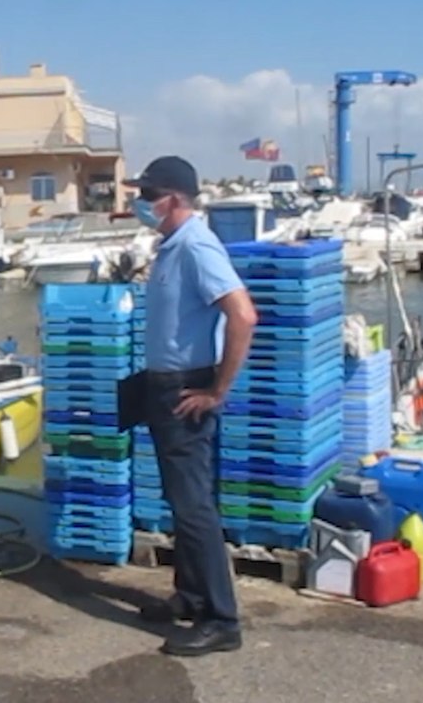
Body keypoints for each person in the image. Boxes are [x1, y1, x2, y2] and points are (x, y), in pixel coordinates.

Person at [122, 156, 258, 657]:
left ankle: (222, 619)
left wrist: (217, 391)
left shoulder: (197, 245)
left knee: (194, 505)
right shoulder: (172, 245)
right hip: (163, 386)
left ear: (174, 199)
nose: (140, 203)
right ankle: (192, 596)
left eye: (148, 195)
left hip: (186, 389)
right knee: (180, 498)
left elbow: (243, 315)